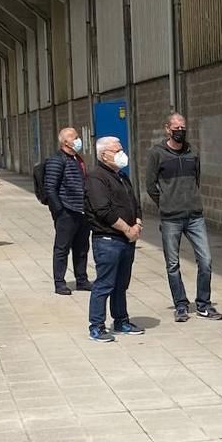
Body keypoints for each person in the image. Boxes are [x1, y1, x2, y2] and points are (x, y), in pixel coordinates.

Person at [144, 112, 222, 323]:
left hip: (195, 216)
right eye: (176, 127)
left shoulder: (192, 152)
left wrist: (190, 200)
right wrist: (166, 203)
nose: (180, 131)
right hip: (171, 218)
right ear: (167, 129)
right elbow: (150, 185)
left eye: (183, 127)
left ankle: (204, 304)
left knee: (205, 261)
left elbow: (196, 178)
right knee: (172, 264)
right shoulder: (157, 153)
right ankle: (180, 304)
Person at [85, 136, 144, 343]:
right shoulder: (96, 177)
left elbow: (134, 203)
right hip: (108, 240)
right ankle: (97, 325)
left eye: (121, 150)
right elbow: (103, 210)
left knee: (121, 284)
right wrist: (127, 229)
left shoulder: (122, 176)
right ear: (104, 155)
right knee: (105, 284)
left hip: (127, 240)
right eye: (116, 151)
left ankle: (121, 320)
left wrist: (137, 223)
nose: (121, 154)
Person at [44, 127, 92, 295]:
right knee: (62, 248)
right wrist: (59, 211)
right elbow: (50, 187)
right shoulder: (57, 160)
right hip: (67, 211)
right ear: (65, 142)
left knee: (82, 247)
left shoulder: (77, 158)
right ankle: (59, 283)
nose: (78, 140)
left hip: (82, 211)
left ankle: (82, 279)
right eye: (75, 137)